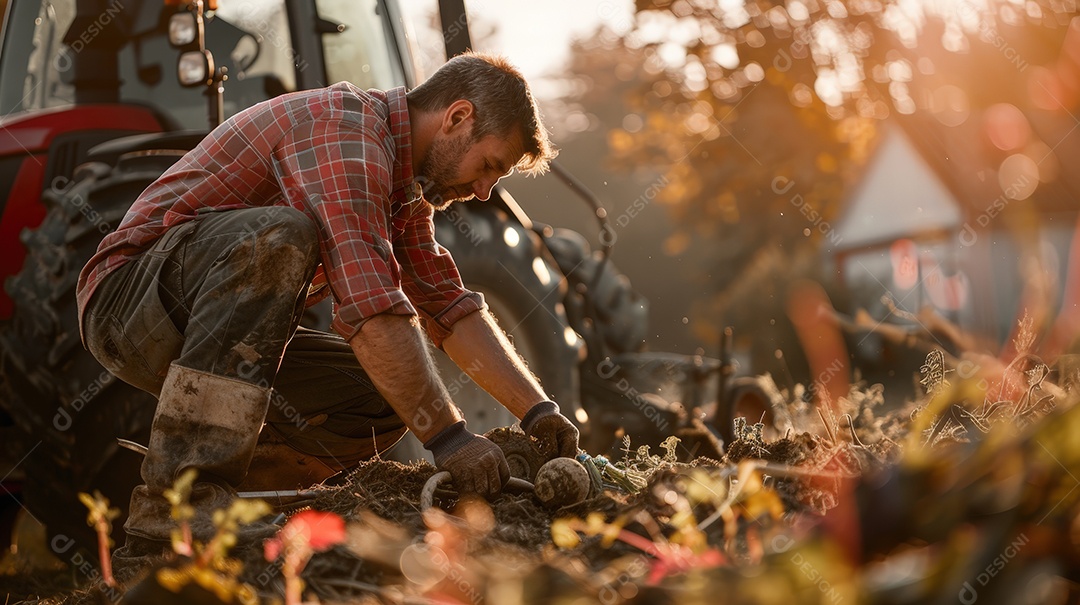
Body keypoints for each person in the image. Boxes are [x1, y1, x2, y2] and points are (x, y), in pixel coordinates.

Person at [76, 52, 579, 565]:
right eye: (489, 166)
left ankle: (214, 507)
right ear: (456, 117)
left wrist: (538, 411)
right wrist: (450, 438)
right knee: (279, 237)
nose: (482, 190)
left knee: (380, 398)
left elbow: (446, 305)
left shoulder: (404, 192)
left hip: (208, 332)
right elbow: (373, 312)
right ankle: (175, 514)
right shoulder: (347, 134)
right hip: (129, 305)